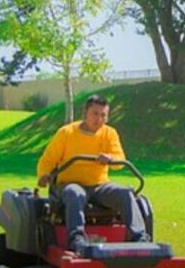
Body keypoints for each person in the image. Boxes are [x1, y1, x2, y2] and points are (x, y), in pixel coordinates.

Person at [36, 94, 149, 256]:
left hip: (99, 185)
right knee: (75, 193)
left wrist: (111, 159)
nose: (99, 119)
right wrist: (44, 175)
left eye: (103, 115)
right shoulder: (66, 133)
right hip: (70, 183)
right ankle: (77, 241)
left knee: (125, 193)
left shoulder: (109, 133)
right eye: (95, 114)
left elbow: (119, 160)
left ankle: (139, 240)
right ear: (85, 113)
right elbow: (48, 159)